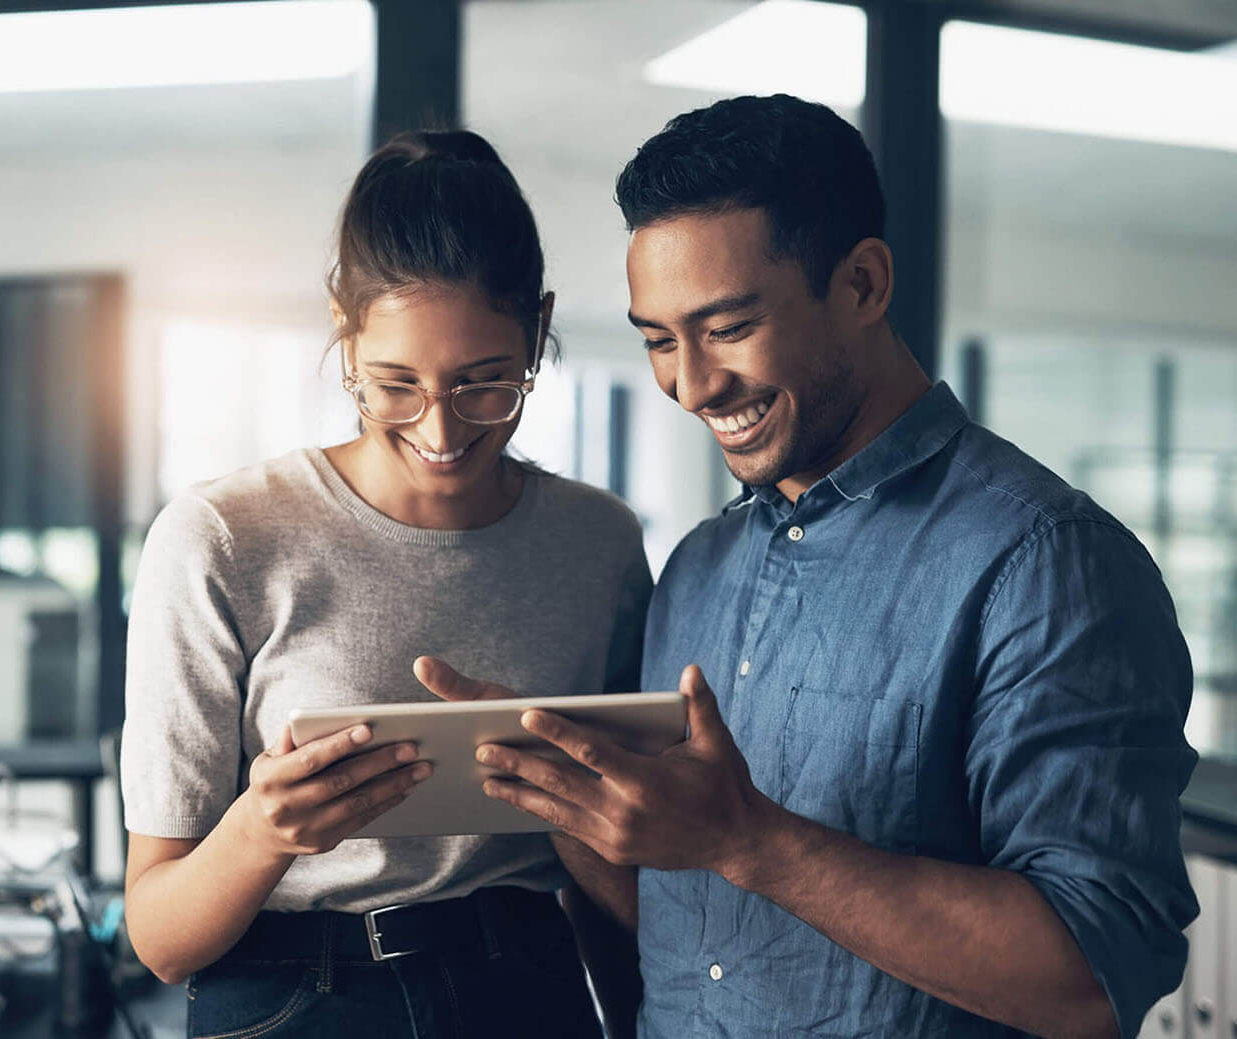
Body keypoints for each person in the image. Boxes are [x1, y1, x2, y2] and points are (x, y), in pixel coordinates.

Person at [416, 95, 1197, 1039]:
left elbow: (1094, 970)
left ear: (863, 284)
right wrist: (558, 792)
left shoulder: (1046, 563)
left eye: (729, 327)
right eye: (660, 340)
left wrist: (750, 841)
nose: (692, 385)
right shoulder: (698, 567)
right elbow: (690, 929)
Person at [119, 129, 651, 1039]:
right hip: (292, 993)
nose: (440, 430)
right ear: (343, 326)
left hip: (528, 985)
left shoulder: (596, 542)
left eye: (488, 382)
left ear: (539, 322)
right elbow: (162, 941)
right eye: (393, 384)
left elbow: (644, 897)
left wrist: (565, 796)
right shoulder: (220, 538)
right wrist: (261, 830)